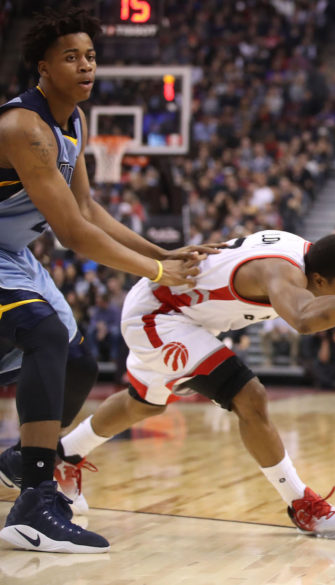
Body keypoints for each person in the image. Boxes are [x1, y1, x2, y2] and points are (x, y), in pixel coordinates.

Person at [6, 230, 335, 540]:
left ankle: (65, 454)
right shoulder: (280, 272)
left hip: (179, 312)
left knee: (144, 404)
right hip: (160, 314)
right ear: (317, 281)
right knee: (250, 396)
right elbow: (307, 320)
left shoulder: (307, 259)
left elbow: (315, 306)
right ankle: (301, 504)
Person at [0, 7, 216, 554]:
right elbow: (72, 233)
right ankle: (35, 501)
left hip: (11, 252)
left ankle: (22, 461)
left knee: (77, 360)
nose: (85, 66)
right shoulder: (24, 127)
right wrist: (158, 271)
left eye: (91, 56)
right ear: (42, 67)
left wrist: (159, 249)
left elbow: (88, 208)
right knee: (44, 334)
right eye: (70, 57)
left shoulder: (72, 119)